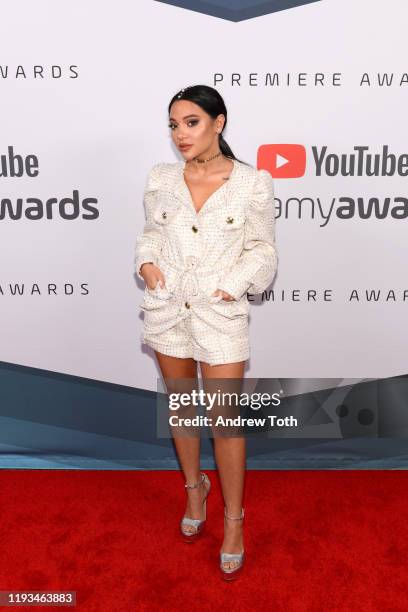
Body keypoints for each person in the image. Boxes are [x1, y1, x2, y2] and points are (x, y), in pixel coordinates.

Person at [134, 84, 278, 580]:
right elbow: (151, 233)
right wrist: (148, 263)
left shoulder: (253, 182)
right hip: (168, 309)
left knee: (226, 421)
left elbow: (263, 250)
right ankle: (195, 490)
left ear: (219, 122)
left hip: (220, 315)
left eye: (191, 122)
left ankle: (234, 520)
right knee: (179, 406)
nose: (180, 134)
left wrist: (230, 287)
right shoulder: (161, 178)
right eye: (174, 124)